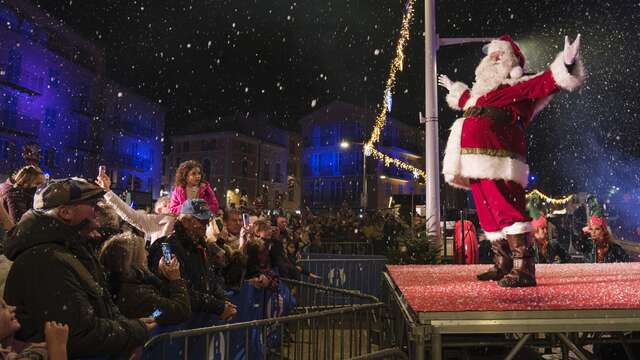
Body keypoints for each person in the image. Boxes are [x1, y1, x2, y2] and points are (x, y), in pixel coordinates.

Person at [439, 34, 586, 287]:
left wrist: (568, 63)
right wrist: (455, 88)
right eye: (491, 55)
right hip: (473, 159)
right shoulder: (483, 95)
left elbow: (549, 81)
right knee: (486, 210)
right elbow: (465, 101)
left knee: (506, 206)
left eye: (499, 54)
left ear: (512, 63)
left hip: (499, 157)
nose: (493, 57)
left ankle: (524, 267)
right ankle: (503, 263)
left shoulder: (518, 87)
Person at [3, 178, 154, 358]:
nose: (97, 209)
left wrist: (128, 337)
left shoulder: (70, 251)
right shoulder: (46, 260)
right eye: (91, 204)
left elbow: (101, 309)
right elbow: (79, 335)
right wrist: (136, 330)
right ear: (66, 212)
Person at [148, 199, 236, 322]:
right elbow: (174, 290)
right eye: (201, 221)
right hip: (170, 322)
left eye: (207, 221)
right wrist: (218, 306)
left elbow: (209, 280)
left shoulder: (200, 246)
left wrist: (222, 302)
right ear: (185, 221)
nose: (205, 226)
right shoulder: (165, 246)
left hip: (195, 320)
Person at [99, 232, 191, 326]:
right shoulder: (135, 293)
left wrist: (163, 275)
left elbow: (157, 311)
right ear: (133, 260)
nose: (147, 254)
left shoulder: (125, 285)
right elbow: (179, 310)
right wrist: (176, 279)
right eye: (143, 251)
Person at [96, 167, 176, 245]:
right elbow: (131, 215)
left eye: (171, 202)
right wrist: (107, 191)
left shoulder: (182, 219)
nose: (170, 205)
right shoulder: (156, 222)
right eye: (165, 205)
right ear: (158, 211)